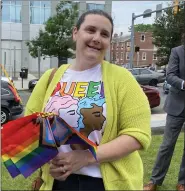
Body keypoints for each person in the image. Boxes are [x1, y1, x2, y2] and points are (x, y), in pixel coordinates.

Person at [25, 9, 151, 191]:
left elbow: (138, 135)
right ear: (75, 33)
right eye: (91, 30)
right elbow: (30, 127)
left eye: (104, 34)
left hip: (104, 183)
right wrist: (49, 158)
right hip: (57, 183)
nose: (97, 38)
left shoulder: (122, 78)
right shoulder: (50, 77)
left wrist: (86, 157)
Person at [144, 41, 185, 191]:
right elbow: (170, 76)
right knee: (167, 145)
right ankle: (154, 181)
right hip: (177, 106)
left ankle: (182, 183)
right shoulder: (177, 51)